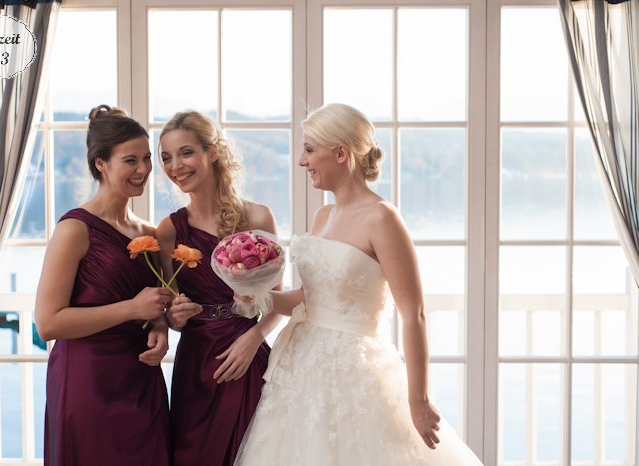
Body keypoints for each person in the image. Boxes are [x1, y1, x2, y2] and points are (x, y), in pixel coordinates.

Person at [235, 103, 483, 466]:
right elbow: (309, 299)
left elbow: (413, 314)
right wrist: (259, 298)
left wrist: (419, 399)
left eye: (309, 150)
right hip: (302, 369)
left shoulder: (382, 218)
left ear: (341, 153)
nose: (302, 162)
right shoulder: (322, 216)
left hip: (355, 371)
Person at [35, 105, 173, 465]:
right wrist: (131, 309)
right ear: (101, 164)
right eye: (130, 160)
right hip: (88, 381)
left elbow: (156, 304)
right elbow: (48, 323)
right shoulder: (74, 229)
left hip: (141, 378)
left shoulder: (151, 233)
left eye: (147, 158)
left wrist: (160, 326)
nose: (143, 169)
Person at [156, 110, 282, 466]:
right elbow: (172, 315)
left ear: (212, 152)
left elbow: (278, 301)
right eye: (166, 157)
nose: (175, 166)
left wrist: (253, 338)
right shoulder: (169, 230)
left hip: (245, 356)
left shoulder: (257, 217)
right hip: (195, 366)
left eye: (186, 152)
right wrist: (175, 316)